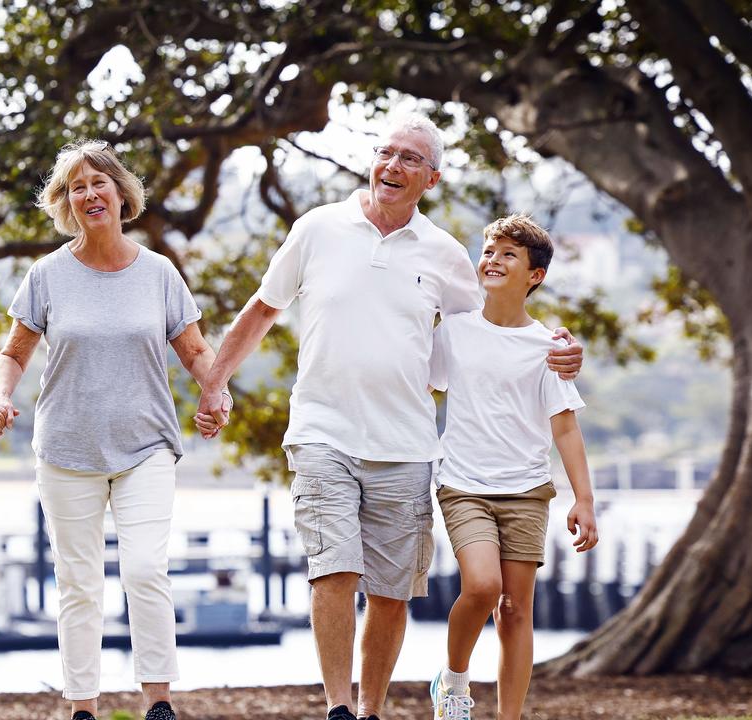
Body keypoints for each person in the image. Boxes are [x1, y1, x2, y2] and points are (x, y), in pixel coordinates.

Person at [196, 114, 583, 720]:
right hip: (322, 430)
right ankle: (339, 708)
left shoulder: (446, 255)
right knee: (335, 568)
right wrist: (214, 382)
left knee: (391, 591)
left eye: (410, 159)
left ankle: (372, 709)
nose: (393, 166)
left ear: (430, 177)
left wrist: (557, 348)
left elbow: (496, 323)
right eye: (386, 153)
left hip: (406, 444)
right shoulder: (318, 228)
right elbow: (264, 307)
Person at [0, 140, 228, 720]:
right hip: (67, 449)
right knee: (79, 584)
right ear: (67, 203)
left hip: (146, 445)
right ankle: (82, 706)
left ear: (121, 193)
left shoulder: (159, 273)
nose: (89, 194)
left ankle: (158, 701)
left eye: (99, 183)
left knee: (145, 569)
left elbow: (194, 350)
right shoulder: (47, 275)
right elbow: (13, 354)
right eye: (75, 187)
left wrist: (216, 390)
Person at [428, 214, 598, 720]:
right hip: (463, 485)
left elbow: (565, 428)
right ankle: (454, 683)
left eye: (508, 255)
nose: (493, 260)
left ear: (535, 276)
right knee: (483, 586)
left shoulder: (548, 348)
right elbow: (417, 388)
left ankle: (509, 717)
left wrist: (583, 499)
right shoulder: (454, 332)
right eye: (489, 251)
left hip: (527, 489)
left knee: (516, 610)